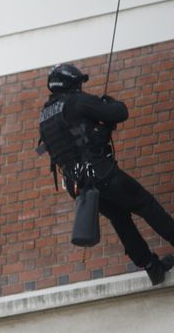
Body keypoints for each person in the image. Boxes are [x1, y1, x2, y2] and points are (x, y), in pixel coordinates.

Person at [38, 63, 174, 285]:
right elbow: (120, 112)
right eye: (79, 83)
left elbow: (80, 141)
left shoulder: (45, 115)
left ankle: (151, 266)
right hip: (101, 174)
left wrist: (101, 130)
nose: (80, 87)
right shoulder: (76, 102)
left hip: (79, 186)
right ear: (71, 84)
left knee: (120, 217)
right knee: (144, 204)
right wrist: (108, 104)